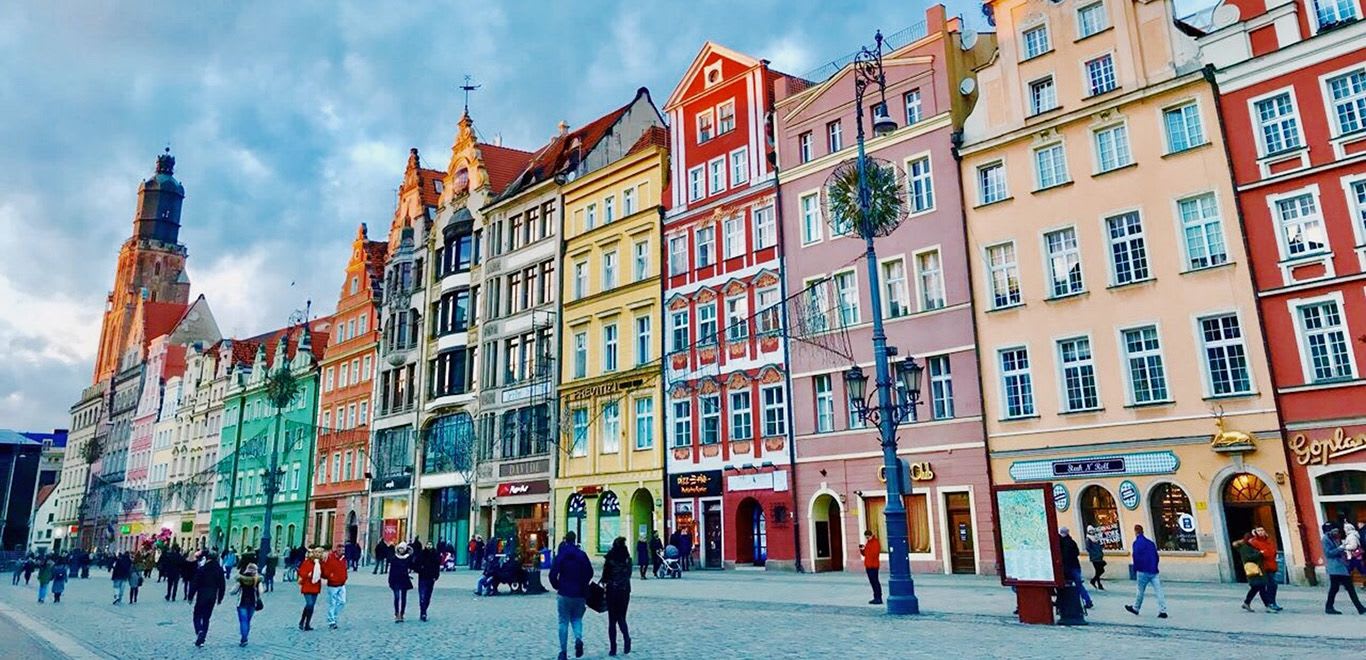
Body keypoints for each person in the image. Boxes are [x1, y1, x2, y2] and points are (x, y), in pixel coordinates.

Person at [549, 531, 592, 660]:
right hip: (579, 593)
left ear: (565, 540)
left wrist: (557, 585)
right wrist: (583, 584)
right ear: (575, 540)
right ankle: (578, 638)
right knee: (577, 619)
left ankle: (563, 652)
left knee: (563, 621)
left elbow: (552, 574)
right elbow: (590, 572)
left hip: (564, 592)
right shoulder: (582, 555)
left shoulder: (561, 555)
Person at [1124, 524, 1168, 618]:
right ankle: (1163, 610)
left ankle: (1136, 608)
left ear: (1136, 532)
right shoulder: (1150, 543)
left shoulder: (1136, 543)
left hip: (1142, 571)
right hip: (1153, 570)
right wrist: (1155, 566)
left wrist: (1135, 569)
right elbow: (1156, 556)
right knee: (1158, 590)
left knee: (1140, 591)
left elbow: (1135, 557)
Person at [1322, 524, 1365, 614]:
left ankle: (1329, 607)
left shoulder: (1334, 538)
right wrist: (1341, 548)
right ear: (1329, 531)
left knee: (1336, 588)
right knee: (1347, 588)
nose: (1337, 532)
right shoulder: (1325, 539)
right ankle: (1359, 608)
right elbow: (1329, 553)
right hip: (1335, 568)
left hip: (1341, 567)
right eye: (1335, 530)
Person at [602, 536, 633, 656]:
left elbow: (605, 576)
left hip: (612, 591)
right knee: (621, 617)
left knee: (612, 620)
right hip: (624, 590)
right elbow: (628, 574)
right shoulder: (627, 559)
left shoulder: (610, 558)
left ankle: (613, 648)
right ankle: (626, 639)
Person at [191, 553, 227, 648]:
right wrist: (220, 598)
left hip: (202, 595)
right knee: (206, 618)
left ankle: (199, 630)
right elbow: (222, 585)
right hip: (212, 596)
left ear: (207, 559)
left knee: (197, 615)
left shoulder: (202, 569)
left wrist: (190, 596)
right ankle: (202, 639)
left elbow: (195, 583)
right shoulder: (219, 570)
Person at [1236, 532, 1272, 612]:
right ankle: (1268, 606)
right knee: (1261, 588)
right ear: (1248, 539)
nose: (1253, 540)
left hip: (1257, 570)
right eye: (1252, 539)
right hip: (1254, 570)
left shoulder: (1250, 546)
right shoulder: (1245, 547)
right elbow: (1248, 557)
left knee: (1255, 588)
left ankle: (1246, 603)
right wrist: (1260, 553)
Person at [1248, 527, 1282, 611]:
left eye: (1262, 530)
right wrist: (1263, 553)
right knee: (1269, 585)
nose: (1261, 532)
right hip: (1262, 567)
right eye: (1258, 531)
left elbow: (1273, 552)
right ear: (1255, 532)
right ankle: (1270, 603)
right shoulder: (1253, 542)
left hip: (1271, 565)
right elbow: (1253, 555)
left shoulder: (1268, 541)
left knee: (1271, 586)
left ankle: (1272, 602)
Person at [1059, 527, 1094, 609]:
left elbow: (1063, 556)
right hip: (1075, 566)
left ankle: (1068, 603)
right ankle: (1087, 600)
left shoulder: (1060, 543)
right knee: (1079, 585)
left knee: (1067, 586)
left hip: (1066, 568)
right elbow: (1077, 553)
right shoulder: (1072, 542)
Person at [231, 564, 262, 647]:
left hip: (242, 602)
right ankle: (245, 637)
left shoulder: (241, 579)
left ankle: (244, 639)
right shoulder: (257, 580)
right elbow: (261, 591)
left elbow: (233, 591)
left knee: (243, 621)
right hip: (252, 603)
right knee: (248, 621)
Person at [322, 544, 350, 629]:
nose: (342, 552)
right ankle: (331, 621)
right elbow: (325, 569)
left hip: (342, 584)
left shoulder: (343, 559)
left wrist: (345, 577)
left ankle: (334, 616)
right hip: (332, 584)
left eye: (343, 551)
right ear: (337, 550)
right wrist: (330, 576)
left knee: (342, 602)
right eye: (341, 550)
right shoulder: (330, 558)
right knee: (332, 603)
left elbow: (344, 569)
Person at [297, 546, 323, 631]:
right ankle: (302, 621)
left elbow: (324, 573)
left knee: (311, 606)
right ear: (314, 553)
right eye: (316, 552)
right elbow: (301, 572)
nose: (317, 554)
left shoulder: (321, 563)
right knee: (309, 604)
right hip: (307, 586)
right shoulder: (307, 562)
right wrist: (308, 575)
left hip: (315, 586)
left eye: (319, 553)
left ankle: (307, 623)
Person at [388, 542, 414, 622]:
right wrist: (390, 580)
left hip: (404, 579)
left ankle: (402, 613)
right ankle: (396, 613)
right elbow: (391, 570)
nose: (401, 550)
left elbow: (412, 565)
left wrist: (411, 554)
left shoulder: (408, 558)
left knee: (403, 598)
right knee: (397, 597)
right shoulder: (394, 558)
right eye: (400, 548)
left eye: (402, 548)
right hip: (395, 579)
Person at [414, 543, 440, 621]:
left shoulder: (435, 554)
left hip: (431, 578)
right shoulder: (422, 553)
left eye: (430, 544)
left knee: (428, 596)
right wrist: (420, 569)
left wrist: (436, 576)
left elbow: (437, 566)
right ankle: (423, 612)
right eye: (427, 544)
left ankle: (424, 610)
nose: (429, 546)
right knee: (422, 595)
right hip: (422, 577)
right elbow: (416, 564)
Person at [859, 530, 882, 605]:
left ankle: (878, 597)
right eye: (866, 537)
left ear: (871, 535)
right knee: (872, 582)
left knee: (875, 582)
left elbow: (875, 554)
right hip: (868, 565)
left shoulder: (875, 542)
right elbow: (866, 554)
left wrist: (867, 552)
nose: (867, 538)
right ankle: (876, 597)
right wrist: (862, 550)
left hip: (874, 566)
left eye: (868, 537)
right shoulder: (868, 543)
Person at [1084, 526, 1106, 590]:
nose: (1092, 532)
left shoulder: (1095, 538)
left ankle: (1098, 583)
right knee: (1101, 570)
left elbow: (1099, 545)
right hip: (1094, 558)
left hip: (1099, 556)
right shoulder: (1088, 539)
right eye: (1090, 531)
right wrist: (1094, 553)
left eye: (1092, 530)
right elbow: (1088, 548)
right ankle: (1094, 581)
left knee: (1098, 571)